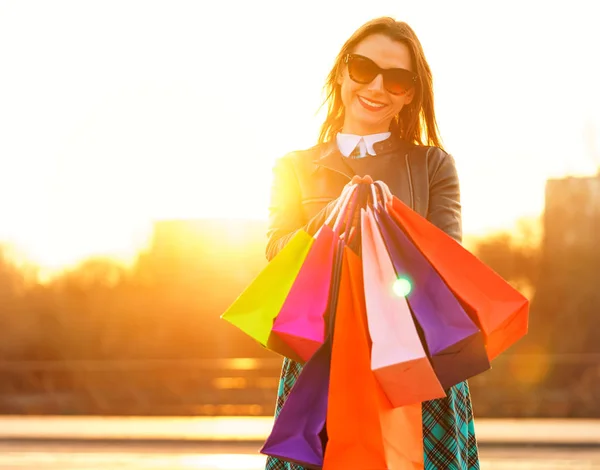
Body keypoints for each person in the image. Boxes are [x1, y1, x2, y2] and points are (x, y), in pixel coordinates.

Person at [264, 16, 479, 470]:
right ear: (342, 71)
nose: (378, 87)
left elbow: (448, 261)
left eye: (397, 78)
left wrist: (389, 216)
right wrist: (335, 213)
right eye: (364, 69)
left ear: (410, 94)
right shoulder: (294, 167)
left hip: (415, 358)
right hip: (324, 359)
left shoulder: (433, 164)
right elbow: (277, 257)